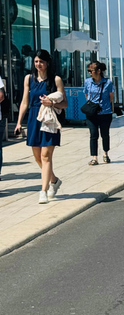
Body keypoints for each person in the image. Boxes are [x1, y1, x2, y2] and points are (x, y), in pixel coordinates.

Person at [14, 49, 67, 204]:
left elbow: (64, 104)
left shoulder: (55, 79)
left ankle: (43, 191)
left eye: (41, 62)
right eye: (36, 61)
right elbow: (24, 102)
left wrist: (51, 102)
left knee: (45, 156)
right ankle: (54, 180)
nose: (38, 64)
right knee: (37, 157)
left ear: (47, 62)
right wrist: (18, 122)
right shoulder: (29, 78)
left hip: (49, 120)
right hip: (33, 118)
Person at [83, 61, 115, 166]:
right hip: (92, 113)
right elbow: (86, 95)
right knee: (93, 134)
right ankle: (94, 157)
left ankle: (105, 153)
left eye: (91, 71)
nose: (89, 73)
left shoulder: (108, 83)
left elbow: (111, 97)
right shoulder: (88, 82)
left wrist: (103, 106)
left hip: (105, 112)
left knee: (105, 134)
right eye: (88, 71)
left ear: (98, 71)